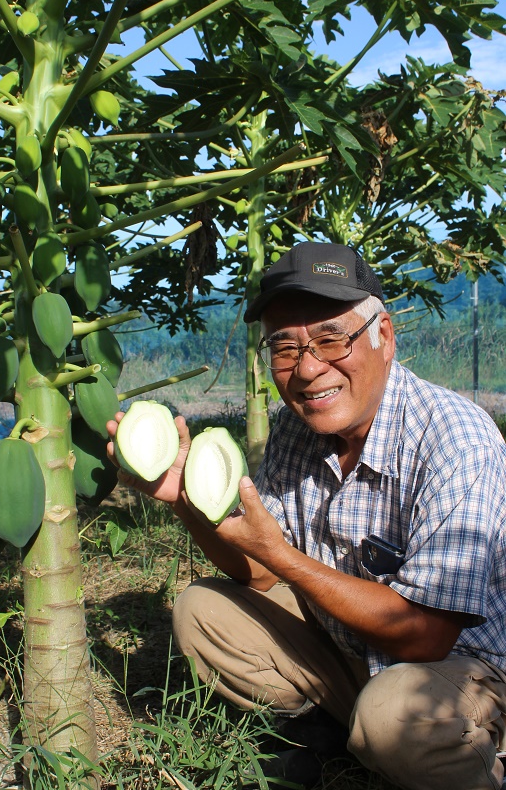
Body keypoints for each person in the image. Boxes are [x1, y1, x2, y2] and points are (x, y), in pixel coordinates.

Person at [106, 241, 506, 790]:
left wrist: (279, 552)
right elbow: (262, 574)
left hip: (466, 675)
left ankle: (476, 764)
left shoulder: (455, 439)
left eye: (329, 338)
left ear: (383, 337)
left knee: (395, 716)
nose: (308, 368)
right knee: (203, 610)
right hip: (355, 655)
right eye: (286, 347)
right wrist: (186, 501)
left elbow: (426, 636)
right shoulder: (299, 430)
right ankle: (325, 734)